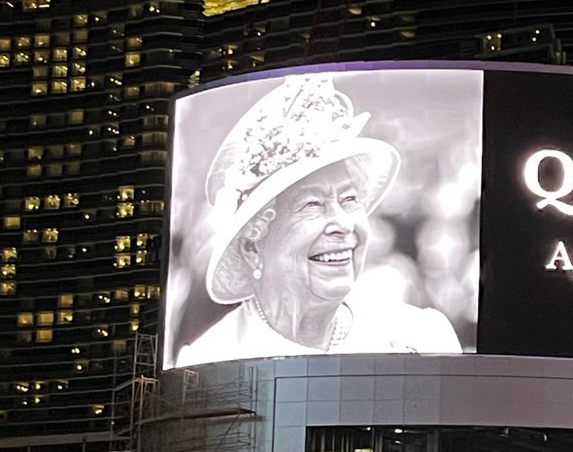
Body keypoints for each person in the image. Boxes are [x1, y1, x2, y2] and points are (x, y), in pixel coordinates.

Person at [176, 74, 462, 366]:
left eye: (349, 199)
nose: (344, 224)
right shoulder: (206, 363)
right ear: (252, 248)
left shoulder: (421, 337)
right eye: (312, 204)